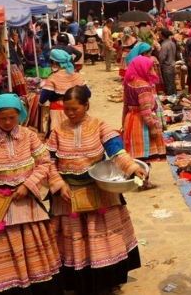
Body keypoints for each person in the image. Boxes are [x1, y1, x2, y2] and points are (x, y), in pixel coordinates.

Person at [0, 94, 63, 295]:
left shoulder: (29, 136)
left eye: (12, 117)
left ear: (20, 115)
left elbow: (44, 162)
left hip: (24, 201)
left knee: (33, 252)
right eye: (2, 118)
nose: (7, 122)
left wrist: (28, 185)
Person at [46, 87, 147, 295]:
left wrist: (132, 168)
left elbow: (117, 152)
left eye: (75, 109)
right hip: (68, 196)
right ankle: (78, 283)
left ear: (86, 106)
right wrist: (59, 184)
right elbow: (48, 162)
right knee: (74, 241)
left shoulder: (100, 126)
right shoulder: (57, 132)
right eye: (66, 109)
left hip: (98, 191)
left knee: (102, 239)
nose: (70, 113)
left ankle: (107, 281)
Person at [122, 56, 164, 183]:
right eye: (149, 68)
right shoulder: (143, 86)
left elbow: (125, 105)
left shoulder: (129, 83)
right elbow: (145, 110)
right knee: (145, 153)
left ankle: (137, 180)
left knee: (136, 152)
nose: (151, 71)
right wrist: (152, 127)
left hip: (130, 119)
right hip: (141, 123)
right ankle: (144, 182)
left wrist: (123, 123)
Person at [40, 49, 90, 132]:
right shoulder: (77, 76)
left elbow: (42, 99)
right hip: (76, 111)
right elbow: (88, 94)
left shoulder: (52, 78)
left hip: (58, 112)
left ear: (54, 63)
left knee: (59, 134)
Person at [158, 28, 178, 95]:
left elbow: (162, 57)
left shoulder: (164, 45)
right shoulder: (172, 43)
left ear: (162, 35)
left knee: (168, 84)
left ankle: (169, 98)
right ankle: (174, 96)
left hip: (167, 66)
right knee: (172, 83)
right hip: (172, 64)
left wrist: (160, 63)